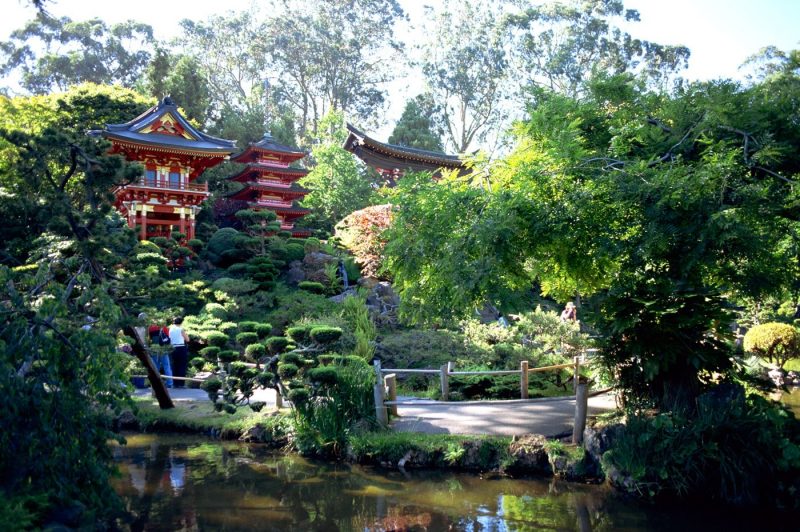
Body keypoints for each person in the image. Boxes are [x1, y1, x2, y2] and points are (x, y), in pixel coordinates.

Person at [148, 320, 173, 388]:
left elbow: (149, 339)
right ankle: (169, 383)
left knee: (155, 366)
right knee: (166, 366)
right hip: (163, 349)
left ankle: (155, 383)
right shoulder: (164, 327)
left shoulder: (150, 327)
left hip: (154, 349)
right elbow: (167, 338)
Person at [169, 316, 190, 388]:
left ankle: (175, 383)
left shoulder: (170, 329)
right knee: (182, 365)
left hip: (173, 348)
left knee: (174, 366)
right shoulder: (181, 329)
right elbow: (187, 339)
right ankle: (181, 384)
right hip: (181, 347)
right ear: (181, 322)